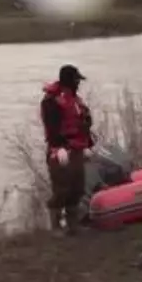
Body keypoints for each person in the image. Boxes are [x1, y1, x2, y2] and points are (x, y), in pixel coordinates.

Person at [40, 64, 94, 234]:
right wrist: (58, 147)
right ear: (70, 81)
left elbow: (83, 124)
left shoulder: (76, 100)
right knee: (61, 189)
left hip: (78, 148)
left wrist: (88, 145)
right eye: (76, 80)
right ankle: (56, 226)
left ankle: (73, 225)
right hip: (61, 151)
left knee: (77, 187)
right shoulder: (51, 101)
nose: (78, 83)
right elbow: (52, 126)